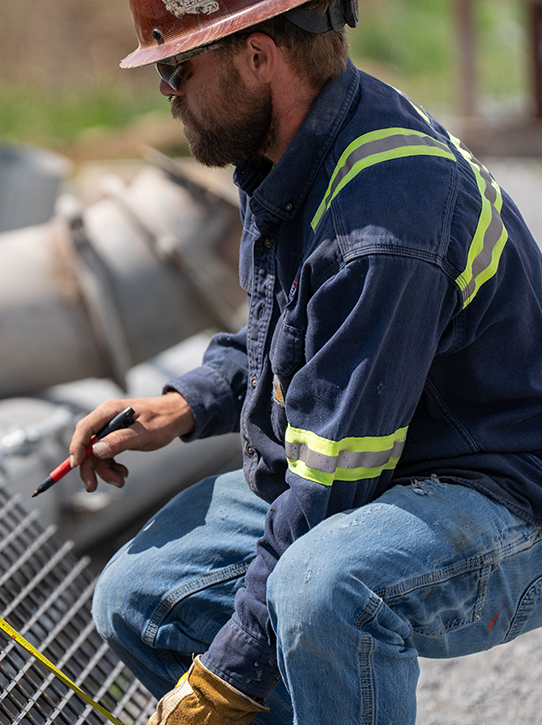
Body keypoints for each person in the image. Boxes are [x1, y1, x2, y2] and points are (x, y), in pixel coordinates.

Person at [69, 0, 542, 722]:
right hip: (395, 460)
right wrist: (188, 401)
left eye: (176, 66)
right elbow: (289, 329)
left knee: (322, 587)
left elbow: (332, 484)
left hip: (500, 493)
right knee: (139, 592)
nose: (167, 91)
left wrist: (222, 680)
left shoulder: (382, 219)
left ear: (259, 58)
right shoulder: (297, 151)